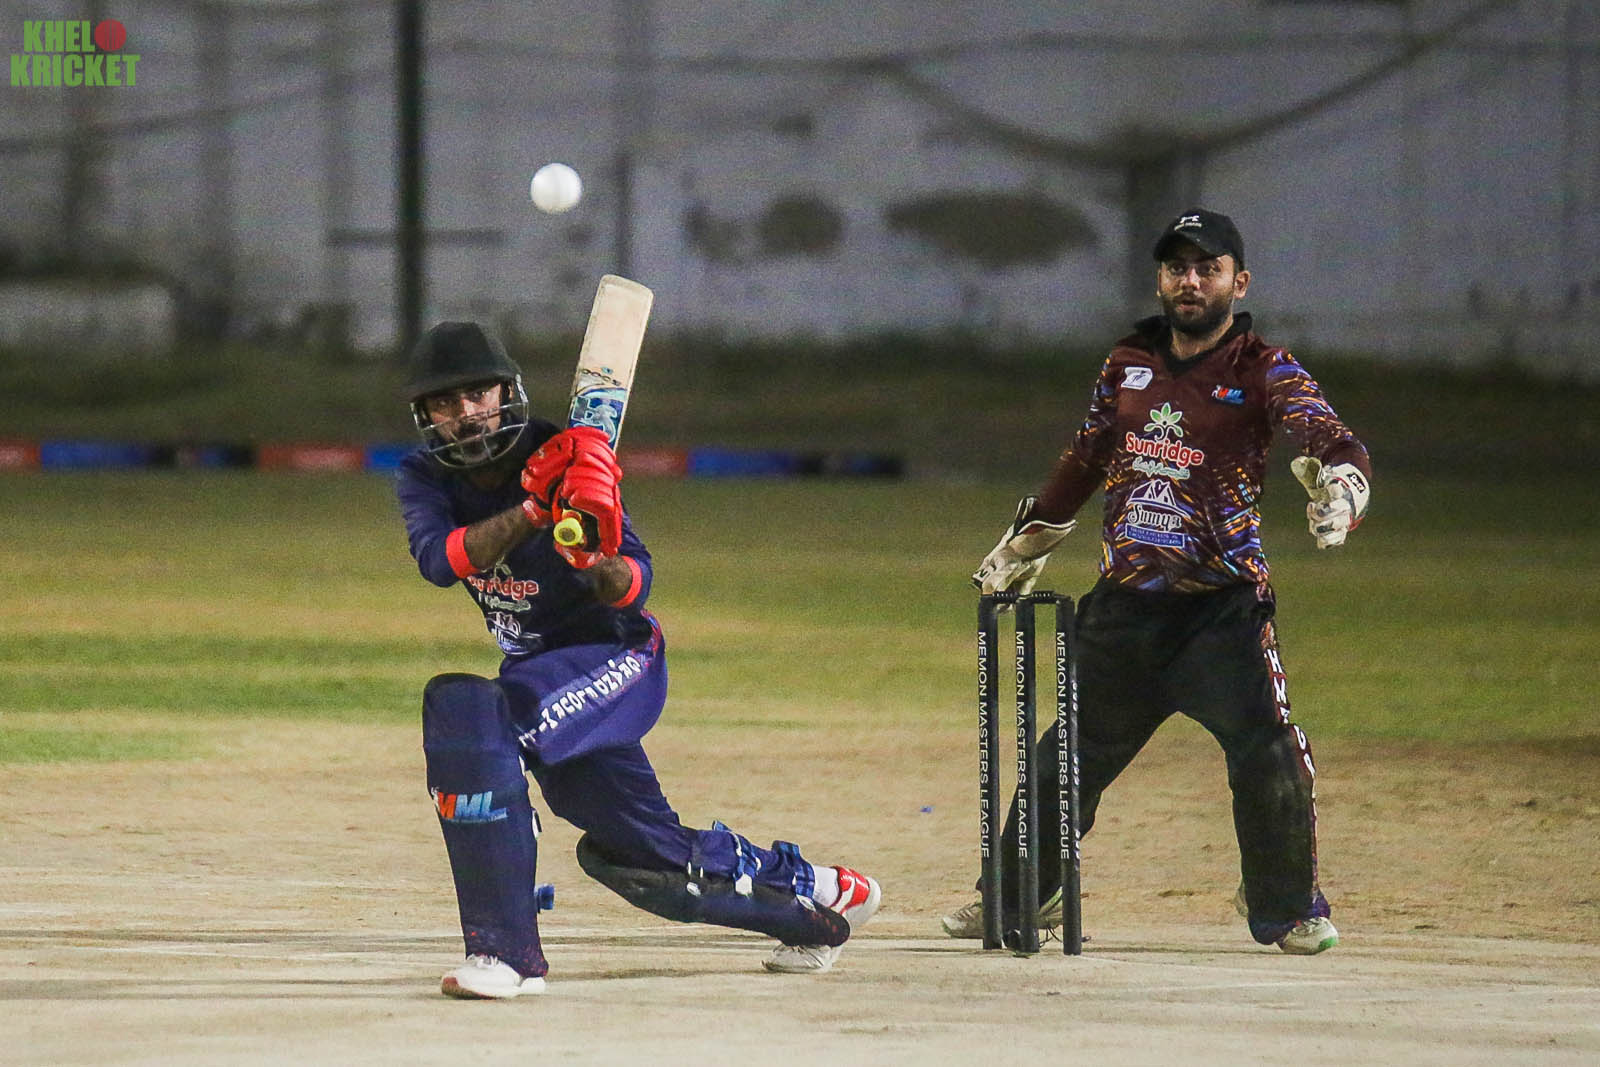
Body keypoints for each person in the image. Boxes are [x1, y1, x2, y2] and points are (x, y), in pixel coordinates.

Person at [394, 320, 880, 998]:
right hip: (541, 673)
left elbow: (633, 582)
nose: (466, 413)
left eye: (478, 394)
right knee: (644, 859)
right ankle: (820, 897)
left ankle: (507, 955)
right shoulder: (424, 475)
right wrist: (534, 511)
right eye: (446, 403)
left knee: (473, 717)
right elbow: (440, 561)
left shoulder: (569, 454)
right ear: (426, 415)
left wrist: (593, 557)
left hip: (615, 656)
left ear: (507, 392)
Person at [945, 209, 1371, 955]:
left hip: (1221, 612)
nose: (1190, 281)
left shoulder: (1263, 367)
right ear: (1160, 280)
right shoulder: (1128, 362)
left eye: (1208, 268)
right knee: (1063, 756)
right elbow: (1086, 457)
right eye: (1177, 268)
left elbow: (1331, 437)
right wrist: (1028, 539)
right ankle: (1018, 895)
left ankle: (1287, 906)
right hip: (1125, 609)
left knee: (1268, 751)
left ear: (1239, 282)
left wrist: (1344, 486)